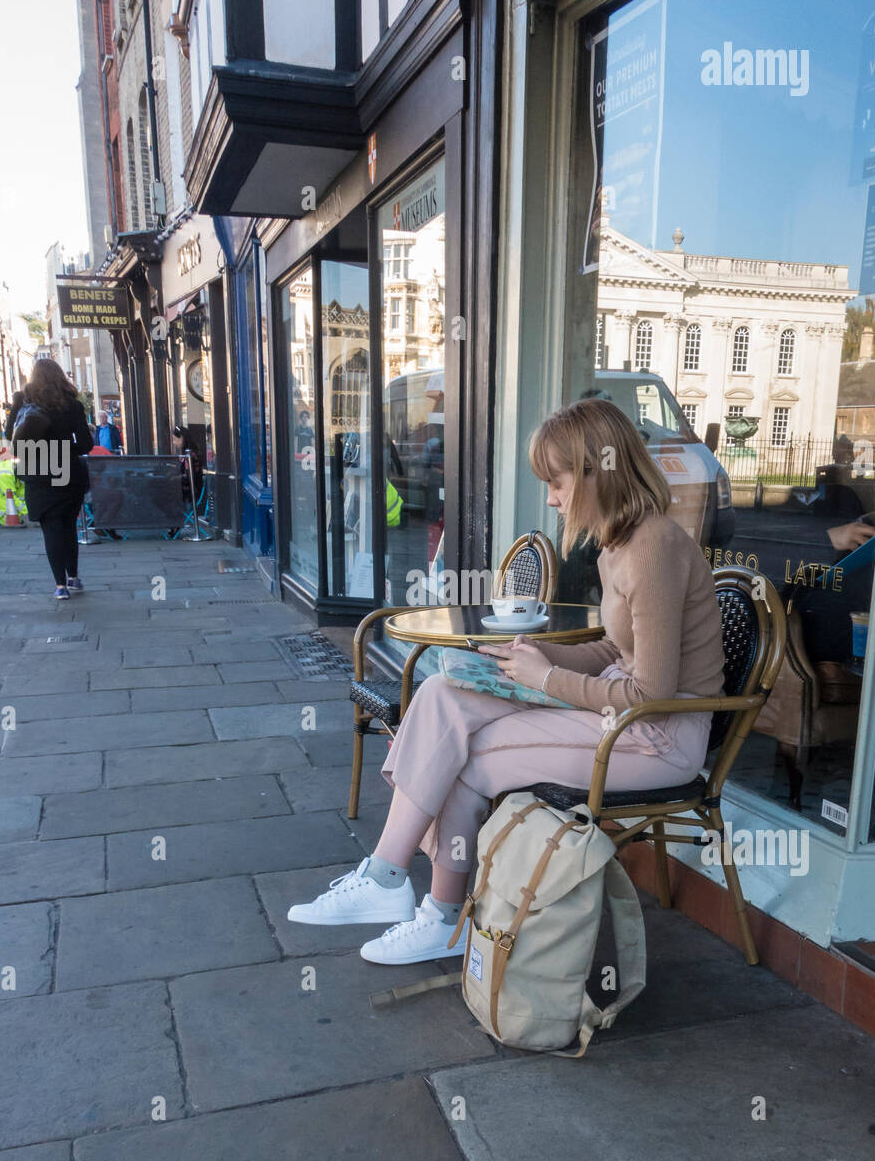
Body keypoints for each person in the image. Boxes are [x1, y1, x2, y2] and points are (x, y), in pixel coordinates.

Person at [287, 396, 726, 965]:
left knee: (466, 755)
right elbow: (618, 651)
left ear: (597, 469)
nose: (552, 497)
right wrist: (534, 654)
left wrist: (545, 678)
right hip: (618, 717)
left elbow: (654, 694)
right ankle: (386, 875)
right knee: (445, 694)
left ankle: (442, 920)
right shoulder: (619, 544)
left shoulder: (656, 546)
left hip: (655, 737)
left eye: (558, 480)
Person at [8, 359, 93, 600]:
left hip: (39, 473)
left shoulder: (25, 404)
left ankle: (60, 585)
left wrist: (16, 405)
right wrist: (64, 448)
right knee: (68, 527)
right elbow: (86, 444)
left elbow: (10, 437)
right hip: (67, 471)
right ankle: (73, 576)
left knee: (52, 529)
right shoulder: (72, 406)